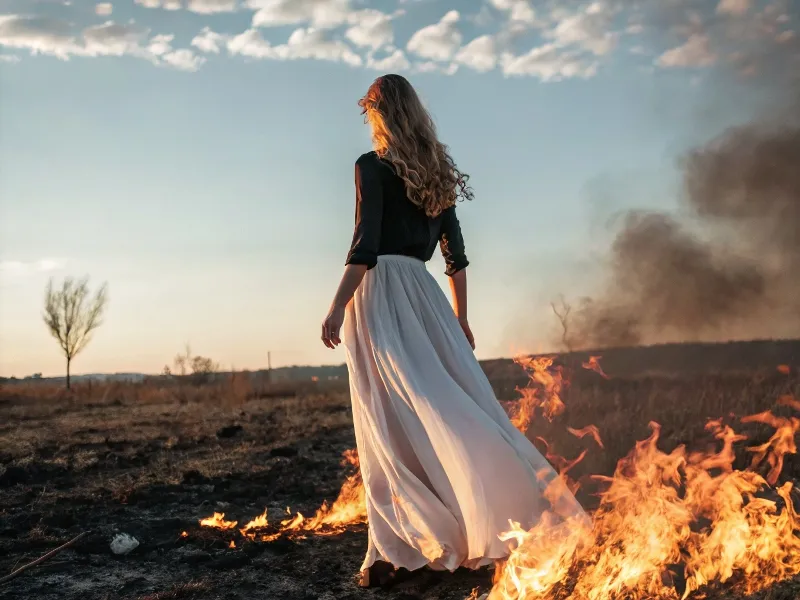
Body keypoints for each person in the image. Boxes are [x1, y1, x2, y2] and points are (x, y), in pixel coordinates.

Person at [321, 74, 587, 588]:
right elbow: (456, 257)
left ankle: (395, 549)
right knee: (441, 403)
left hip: (380, 294)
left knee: (388, 421)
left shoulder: (371, 167)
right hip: (425, 296)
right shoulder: (434, 173)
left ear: (378, 112)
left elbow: (365, 243)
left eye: (369, 110)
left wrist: (337, 305)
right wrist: (460, 317)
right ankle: (429, 533)